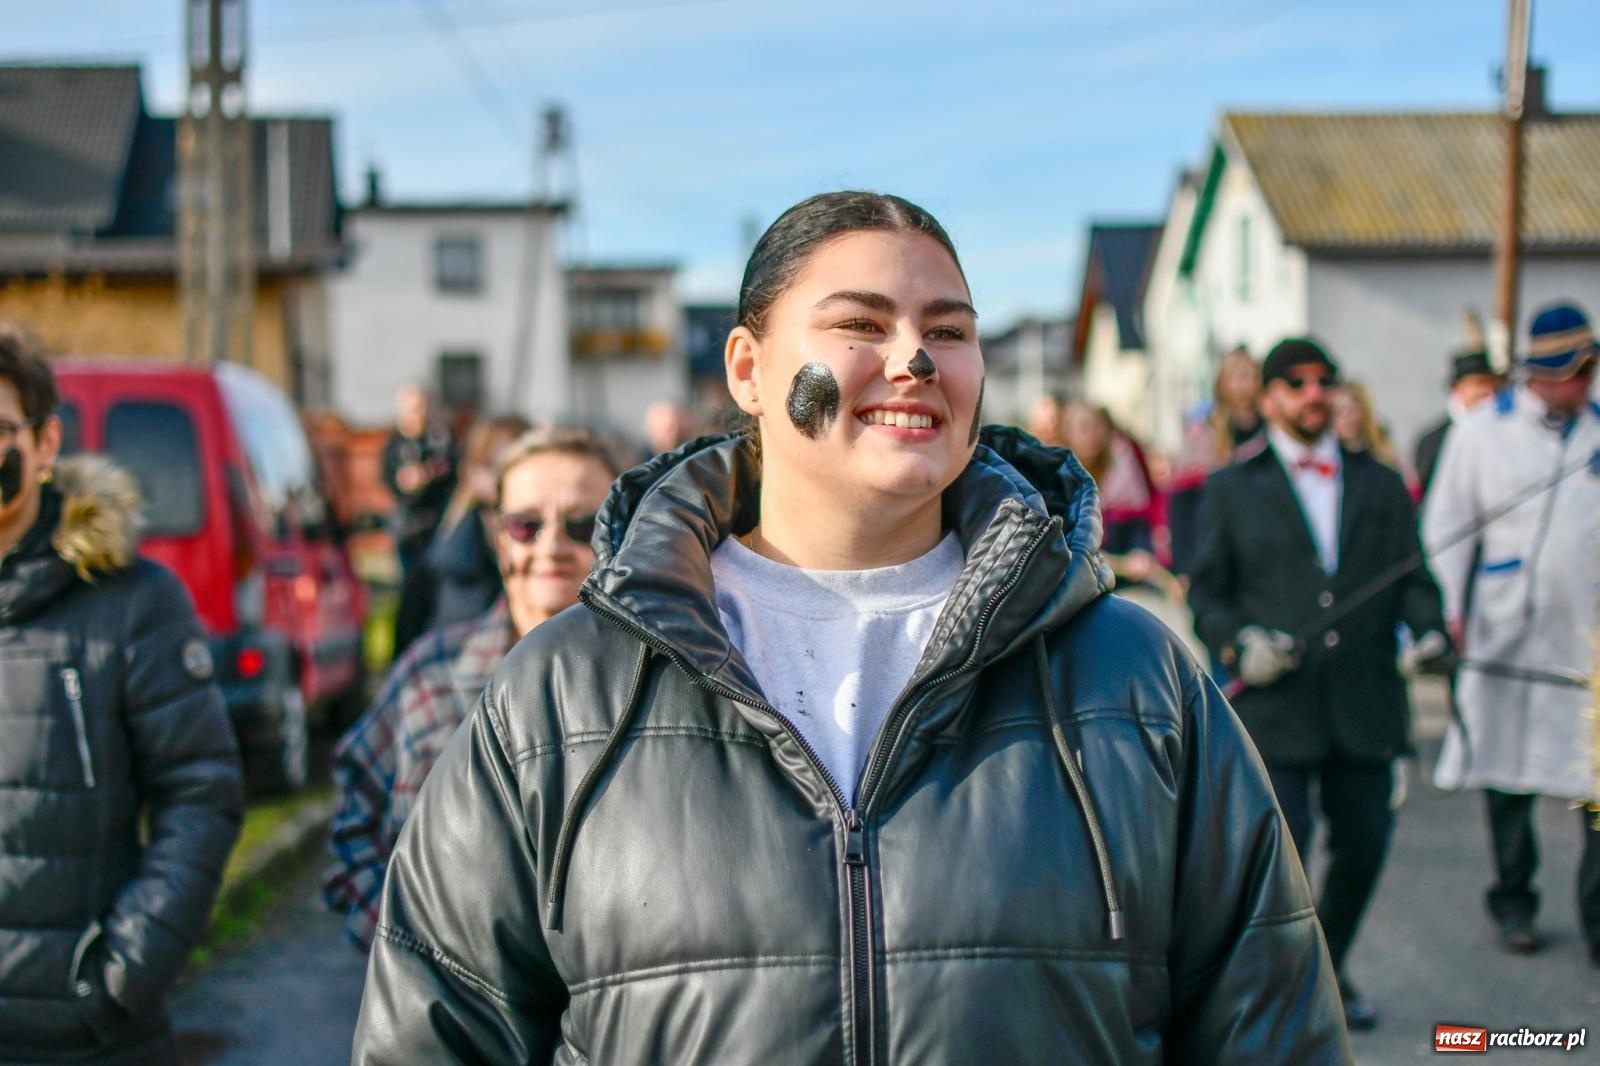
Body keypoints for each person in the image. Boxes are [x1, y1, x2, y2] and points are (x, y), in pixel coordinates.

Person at [353, 191, 1347, 1063]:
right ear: (748, 367)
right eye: (860, 323)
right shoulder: (562, 694)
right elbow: (439, 1032)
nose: (914, 359)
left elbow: (1269, 1024)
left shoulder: (1135, 679)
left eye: (949, 331)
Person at [1188, 337, 1449, 1032]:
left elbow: (1414, 580)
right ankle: (1279, 986)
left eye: (1323, 381)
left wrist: (1430, 632)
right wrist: (1239, 645)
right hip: (1278, 709)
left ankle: (1326, 967)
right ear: (1269, 397)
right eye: (1297, 383)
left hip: (1366, 702)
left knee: (1365, 842)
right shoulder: (1231, 487)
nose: (1314, 394)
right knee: (1284, 858)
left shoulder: (1381, 483)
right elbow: (1207, 596)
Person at [0, 324, 243, 1062]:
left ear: (45, 442)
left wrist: (119, 978)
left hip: (85, 1039)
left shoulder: (134, 603)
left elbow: (200, 794)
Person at [323, 425, 620, 950]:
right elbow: (353, 827)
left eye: (582, 525)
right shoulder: (431, 673)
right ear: (498, 535)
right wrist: (404, 953)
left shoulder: (659, 686)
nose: (551, 547)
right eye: (526, 525)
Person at [1422, 301, 1600, 961]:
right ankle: (1514, 900)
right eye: (1575, 370)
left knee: (1596, 779)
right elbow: (1445, 527)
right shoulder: (1482, 433)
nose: (1585, 382)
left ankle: (1599, 918)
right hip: (1505, 635)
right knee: (1509, 771)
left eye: (1590, 369)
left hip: (1587, 639)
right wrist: (1447, 615)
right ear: (1541, 373)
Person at [391, 413, 532, 650]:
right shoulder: (444, 545)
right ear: (471, 471)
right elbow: (410, 626)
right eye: (495, 465)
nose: (505, 479)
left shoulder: (554, 542)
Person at [1059, 399, 1180, 600]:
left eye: (1097, 426)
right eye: (1083, 427)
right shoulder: (1059, 480)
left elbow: (1140, 522)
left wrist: (1143, 557)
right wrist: (1123, 564)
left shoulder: (1123, 467)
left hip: (1127, 574)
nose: (1092, 434)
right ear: (1067, 432)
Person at [1167, 346, 1263, 579]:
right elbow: (1182, 501)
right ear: (1223, 383)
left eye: (1254, 376)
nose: (1249, 384)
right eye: (1241, 376)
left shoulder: (1270, 432)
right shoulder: (1201, 432)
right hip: (1212, 544)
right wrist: (1183, 565)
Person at [381, 383, 457, 578]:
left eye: (421, 406)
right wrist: (404, 479)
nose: (417, 413)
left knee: (436, 575)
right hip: (407, 524)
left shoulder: (439, 437)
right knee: (410, 577)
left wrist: (426, 473)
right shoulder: (396, 443)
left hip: (437, 521)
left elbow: (452, 467)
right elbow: (387, 477)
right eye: (412, 408)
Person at [1413, 349, 1503, 501]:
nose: (1487, 391)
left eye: (1491, 384)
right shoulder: (1433, 441)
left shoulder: (1505, 433)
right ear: (1456, 388)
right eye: (1479, 384)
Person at [1329, 380, 1402, 472]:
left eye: (1351, 410)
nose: (1346, 418)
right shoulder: (1327, 460)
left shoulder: (1384, 458)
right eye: (1338, 412)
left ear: (1364, 412)